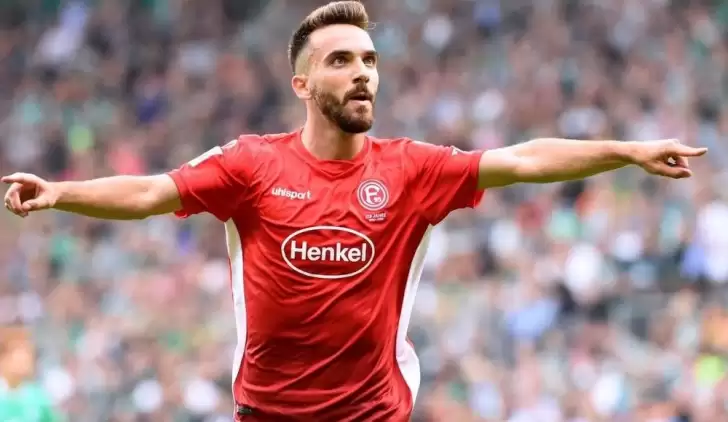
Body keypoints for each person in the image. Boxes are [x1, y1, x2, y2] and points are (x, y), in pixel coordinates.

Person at [1, 1, 707, 420]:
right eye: (341, 60)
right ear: (302, 83)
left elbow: (522, 160)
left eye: (369, 60)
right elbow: (152, 193)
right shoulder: (251, 164)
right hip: (266, 412)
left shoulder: (410, 169)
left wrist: (626, 150)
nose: (363, 72)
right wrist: (61, 193)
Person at [0, 327, 64, 422]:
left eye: (28, 353)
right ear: (3, 358)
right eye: (19, 353)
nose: (25, 359)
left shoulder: (39, 398)